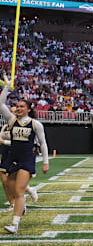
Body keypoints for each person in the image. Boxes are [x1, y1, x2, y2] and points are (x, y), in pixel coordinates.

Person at [0, 76, 49, 234]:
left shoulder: (35, 124)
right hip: (12, 158)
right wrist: (7, 86)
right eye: (17, 106)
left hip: (27, 159)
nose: (18, 108)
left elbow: (43, 143)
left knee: (19, 191)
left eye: (21, 106)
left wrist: (46, 162)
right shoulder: (12, 120)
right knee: (11, 188)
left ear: (28, 109)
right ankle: (22, 207)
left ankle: (15, 224)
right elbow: (1, 104)